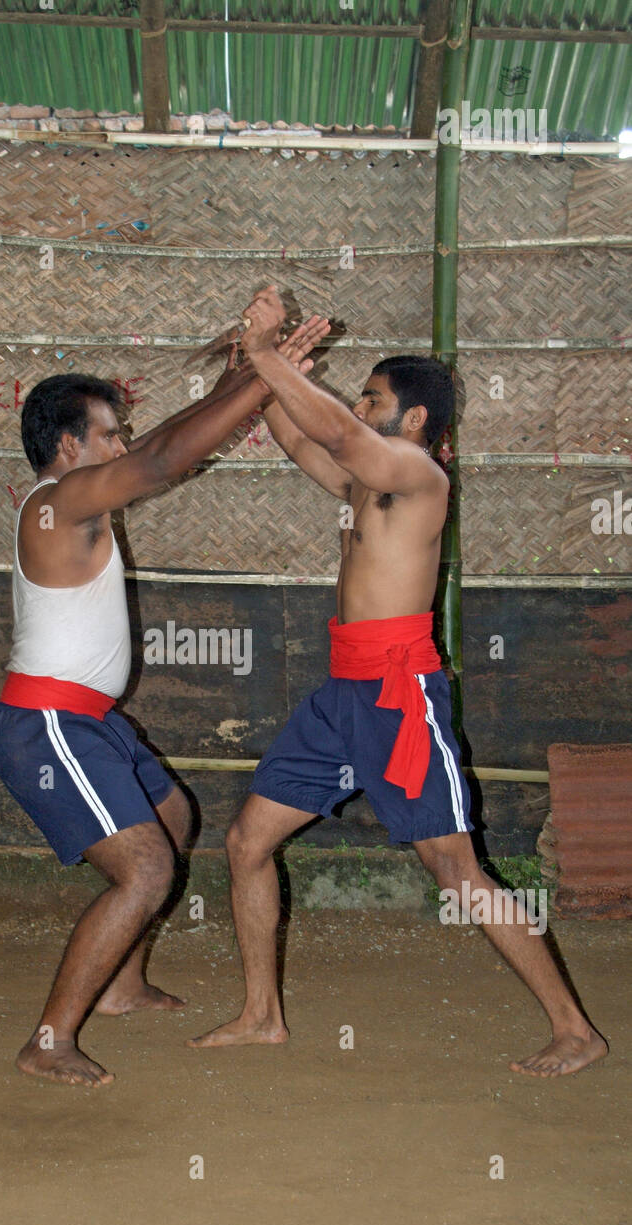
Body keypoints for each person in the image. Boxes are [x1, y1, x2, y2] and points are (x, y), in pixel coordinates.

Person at [190, 285, 607, 1079]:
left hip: (398, 696)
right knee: (247, 843)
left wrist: (276, 358)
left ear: (412, 418)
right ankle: (259, 1015)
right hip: (340, 695)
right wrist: (257, 361)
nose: (358, 404)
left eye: (372, 396)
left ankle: (572, 1028)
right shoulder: (362, 483)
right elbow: (292, 434)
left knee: (454, 869)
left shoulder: (417, 476)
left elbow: (337, 431)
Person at [0, 310, 327, 1086]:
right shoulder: (58, 500)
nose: (120, 445)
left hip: (88, 721)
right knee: (144, 872)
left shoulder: (74, 497)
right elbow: (164, 458)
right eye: (109, 434)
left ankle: (123, 985)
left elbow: (155, 449)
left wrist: (250, 373)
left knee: (173, 817)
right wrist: (262, 373)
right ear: (69, 446)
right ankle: (47, 1039)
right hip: (46, 725)